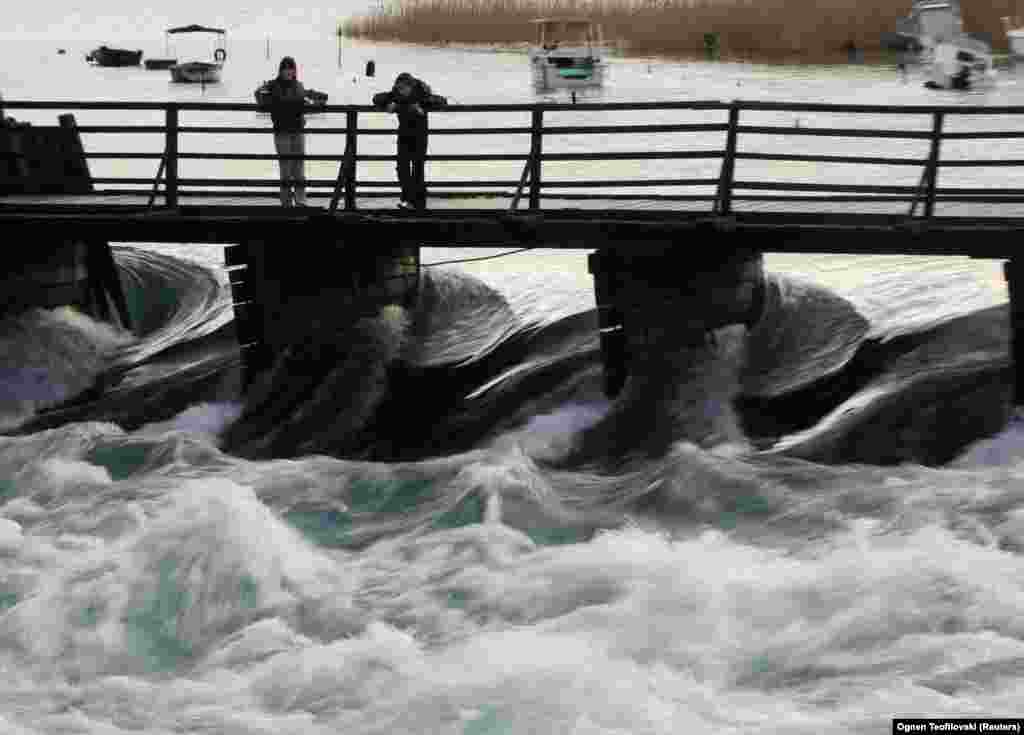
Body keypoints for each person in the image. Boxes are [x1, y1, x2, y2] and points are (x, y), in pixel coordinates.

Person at [373, 73, 447, 210]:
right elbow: (377, 98)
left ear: (411, 86)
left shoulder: (421, 94)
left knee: (417, 169)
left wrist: (423, 105)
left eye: (403, 88)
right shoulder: (396, 94)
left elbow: (442, 101)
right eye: (398, 88)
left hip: (420, 136)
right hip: (404, 136)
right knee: (402, 168)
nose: (401, 91)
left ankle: (417, 200)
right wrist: (388, 104)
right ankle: (408, 198)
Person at [266, 56, 308, 206]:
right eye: (286, 68)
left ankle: (301, 200)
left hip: (298, 130)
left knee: (299, 167)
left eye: (291, 68)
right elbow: (260, 95)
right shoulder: (273, 85)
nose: (289, 71)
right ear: (281, 70)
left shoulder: (299, 86)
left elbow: (305, 103)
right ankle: (286, 201)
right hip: (282, 131)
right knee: (285, 168)